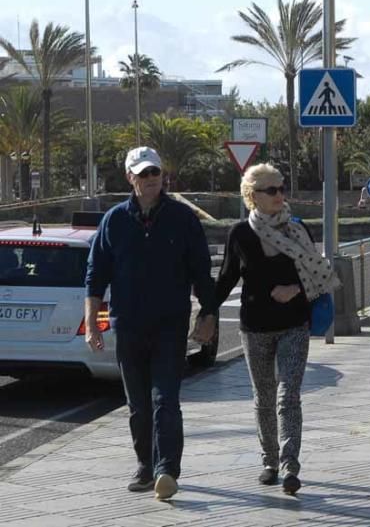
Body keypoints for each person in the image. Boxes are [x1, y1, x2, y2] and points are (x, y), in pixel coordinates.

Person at [85, 146, 216, 501]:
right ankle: (145, 464)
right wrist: (92, 322)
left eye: (155, 172)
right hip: (127, 326)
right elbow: (96, 275)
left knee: (165, 400)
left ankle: (166, 470)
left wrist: (209, 314)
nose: (151, 179)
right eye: (143, 174)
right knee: (138, 404)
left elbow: (201, 272)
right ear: (130, 178)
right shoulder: (114, 220)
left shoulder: (183, 219)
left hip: (169, 327)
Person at [211, 163, 337, 495]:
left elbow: (317, 274)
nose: (280, 195)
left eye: (282, 188)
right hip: (254, 328)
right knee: (263, 397)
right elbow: (226, 279)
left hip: (294, 323)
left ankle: (290, 465)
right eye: (272, 190)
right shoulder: (240, 234)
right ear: (253, 196)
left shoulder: (297, 229)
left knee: (288, 396)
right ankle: (268, 461)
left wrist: (294, 289)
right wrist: (204, 309)